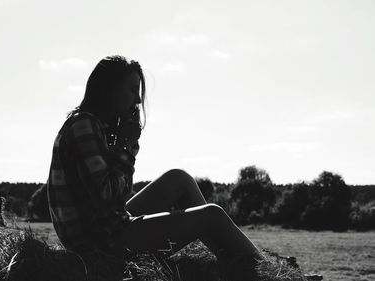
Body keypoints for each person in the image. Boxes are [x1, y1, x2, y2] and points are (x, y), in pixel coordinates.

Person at [46, 55, 264, 280]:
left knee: (178, 178)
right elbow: (109, 195)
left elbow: (111, 202)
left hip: (103, 229)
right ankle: (268, 273)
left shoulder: (92, 125)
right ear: (109, 89)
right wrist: (125, 148)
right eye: (132, 90)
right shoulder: (84, 127)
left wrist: (123, 146)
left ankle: (231, 257)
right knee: (212, 216)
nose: (138, 101)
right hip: (100, 246)